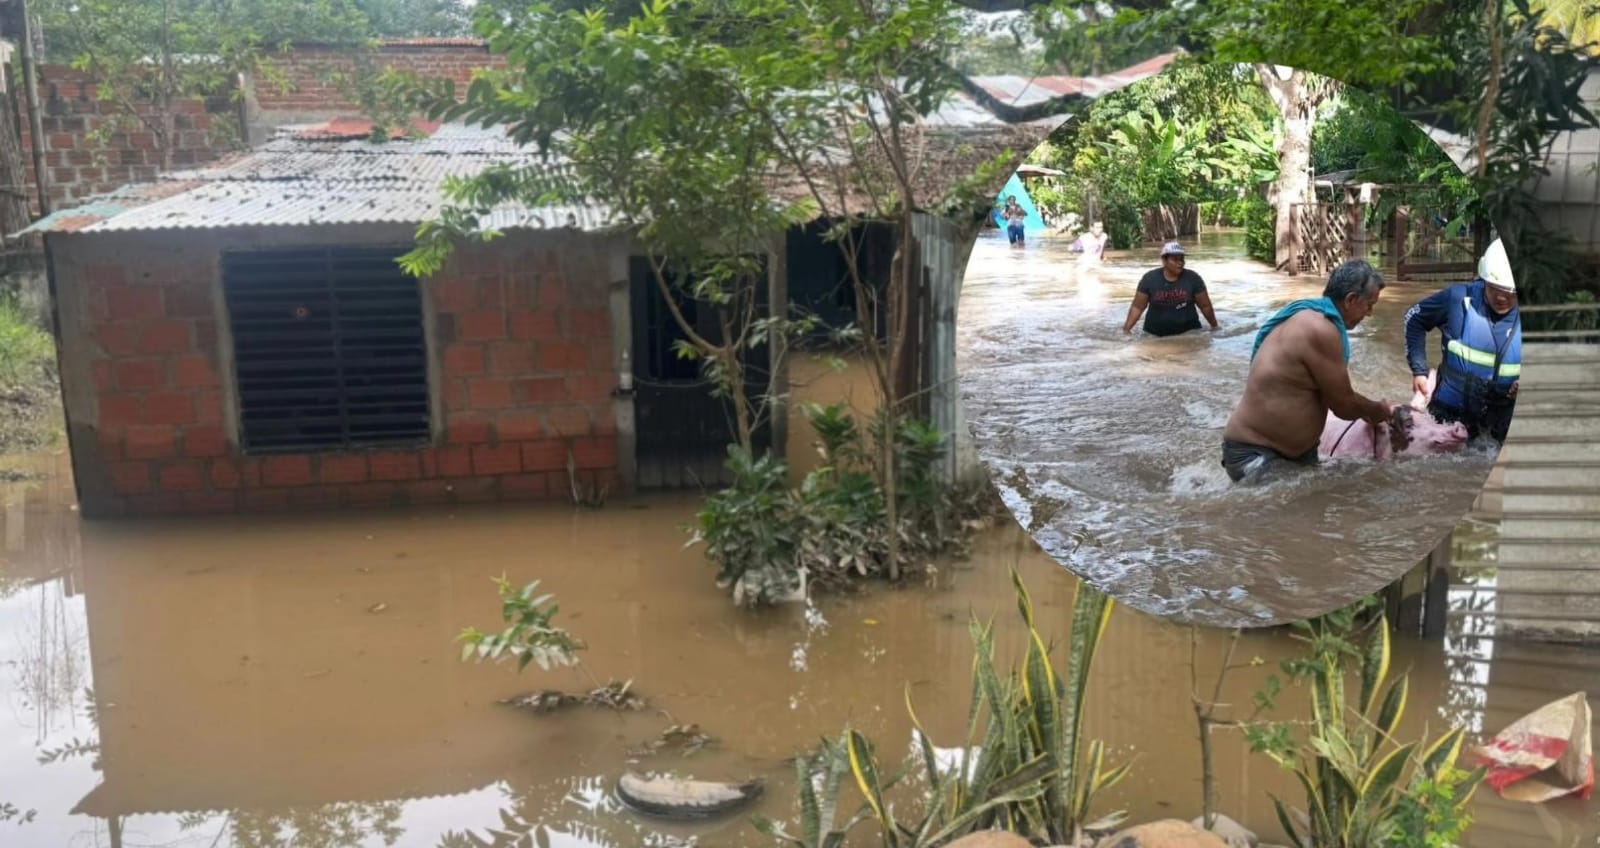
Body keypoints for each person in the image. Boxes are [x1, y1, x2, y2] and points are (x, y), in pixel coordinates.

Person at [1221, 259, 1398, 484]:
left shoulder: (1310, 316)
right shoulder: (1319, 329)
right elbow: (1343, 405)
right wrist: (1377, 410)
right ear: (1351, 299)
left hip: (1291, 453)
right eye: (1369, 305)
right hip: (1257, 452)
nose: (1370, 313)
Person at [1403, 237, 1521, 443]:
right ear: (1483, 278)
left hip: (1501, 422)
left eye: (1511, 293)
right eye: (1495, 288)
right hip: (1448, 414)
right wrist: (1419, 371)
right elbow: (1413, 319)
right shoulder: (1456, 299)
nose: (1502, 298)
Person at [1121, 241, 1219, 336]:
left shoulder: (1193, 279)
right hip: (1154, 335)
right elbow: (1137, 307)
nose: (1180, 263)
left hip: (1189, 334)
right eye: (1175, 259)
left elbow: (1205, 306)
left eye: (1182, 259)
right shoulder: (1149, 279)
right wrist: (1126, 331)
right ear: (1164, 260)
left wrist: (1215, 327)